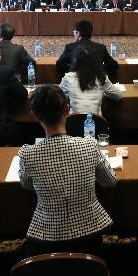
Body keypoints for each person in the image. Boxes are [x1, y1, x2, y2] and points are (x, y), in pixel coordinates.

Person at [18, 85, 116, 257]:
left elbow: (26, 186)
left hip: (47, 235)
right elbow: (109, 181)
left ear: (34, 115)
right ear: (67, 110)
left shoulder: (28, 153)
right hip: (90, 232)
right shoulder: (89, 145)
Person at [59, 47, 124, 115]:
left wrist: (70, 94)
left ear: (76, 61)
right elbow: (118, 96)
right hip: (96, 122)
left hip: (73, 122)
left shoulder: (68, 78)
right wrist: (103, 93)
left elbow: (58, 95)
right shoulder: (101, 77)